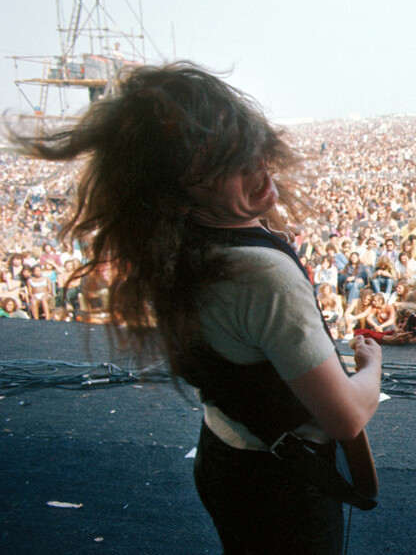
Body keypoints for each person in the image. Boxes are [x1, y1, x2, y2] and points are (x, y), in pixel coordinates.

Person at [8, 64, 382, 552]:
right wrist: (372, 367)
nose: (260, 169)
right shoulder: (259, 275)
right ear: (180, 188)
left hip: (224, 450)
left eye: (254, 151)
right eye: (236, 165)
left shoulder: (172, 247)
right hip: (283, 485)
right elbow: (346, 418)